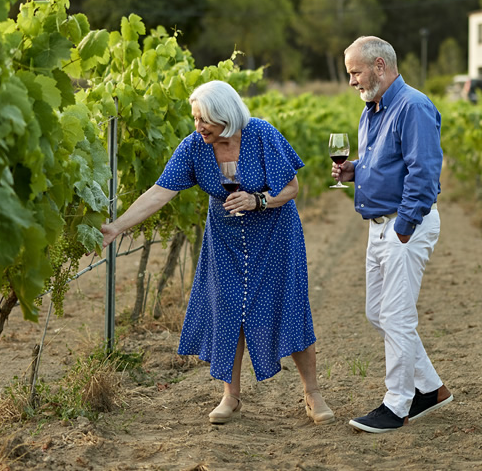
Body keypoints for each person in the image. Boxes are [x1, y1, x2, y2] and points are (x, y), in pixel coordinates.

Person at [99, 80, 334, 425]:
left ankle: (312, 394)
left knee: (288, 306)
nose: (198, 127)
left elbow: (291, 186)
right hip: (225, 238)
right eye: (195, 119)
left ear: (226, 115)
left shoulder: (261, 134)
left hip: (274, 234)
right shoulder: (195, 146)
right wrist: (117, 226)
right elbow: (159, 192)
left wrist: (259, 200)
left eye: (204, 119)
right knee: (227, 309)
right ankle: (231, 396)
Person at [333, 36, 452, 433]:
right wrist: (355, 171)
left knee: (397, 317)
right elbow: (382, 163)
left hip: (404, 225)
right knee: (377, 313)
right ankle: (431, 389)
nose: (351, 81)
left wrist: (403, 227)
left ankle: (396, 405)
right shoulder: (373, 109)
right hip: (378, 226)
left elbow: (424, 172)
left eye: (355, 72)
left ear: (380, 66)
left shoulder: (413, 106)